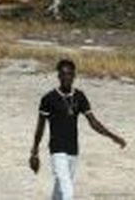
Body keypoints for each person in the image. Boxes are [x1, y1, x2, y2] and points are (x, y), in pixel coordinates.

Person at [29, 59, 126, 200]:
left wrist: (113, 136)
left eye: (69, 74)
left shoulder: (79, 97)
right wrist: (35, 152)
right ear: (58, 76)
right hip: (57, 150)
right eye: (63, 74)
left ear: (74, 76)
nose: (66, 77)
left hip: (73, 150)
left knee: (60, 188)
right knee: (68, 190)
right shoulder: (48, 99)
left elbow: (93, 122)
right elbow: (40, 127)